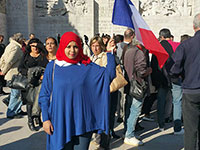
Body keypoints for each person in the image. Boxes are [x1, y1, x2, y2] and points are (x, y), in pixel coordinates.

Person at [39, 32, 116, 150]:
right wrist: (45, 119)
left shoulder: (86, 65)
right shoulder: (53, 67)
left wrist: (110, 53)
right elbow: (44, 95)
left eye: (75, 46)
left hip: (83, 122)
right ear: (62, 46)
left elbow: (108, 75)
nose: (72, 50)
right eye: (68, 46)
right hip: (60, 120)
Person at [170, 13, 200, 150]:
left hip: (191, 91)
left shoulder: (185, 45)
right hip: (192, 88)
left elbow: (174, 69)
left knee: (190, 130)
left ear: (194, 27)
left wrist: (180, 78)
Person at [122, 28, 151, 146]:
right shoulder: (138, 51)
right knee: (135, 109)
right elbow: (141, 71)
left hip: (129, 83)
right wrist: (149, 70)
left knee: (129, 108)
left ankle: (128, 131)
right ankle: (129, 135)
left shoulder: (127, 49)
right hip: (137, 84)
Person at [18, 38, 49, 131]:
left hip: (40, 82)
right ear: (29, 46)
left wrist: (41, 75)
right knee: (30, 102)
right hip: (29, 82)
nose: (35, 48)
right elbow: (20, 68)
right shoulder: (26, 55)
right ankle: (30, 121)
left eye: (36, 46)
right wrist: (30, 73)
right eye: (32, 46)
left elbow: (47, 68)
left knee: (39, 101)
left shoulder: (43, 55)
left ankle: (38, 118)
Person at [0, 33, 26, 118]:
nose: (23, 41)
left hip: (11, 74)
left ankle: (17, 109)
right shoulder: (16, 48)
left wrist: (2, 67)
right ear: (19, 39)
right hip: (14, 74)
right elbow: (10, 61)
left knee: (16, 93)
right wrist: (3, 71)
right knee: (16, 94)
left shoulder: (9, 45)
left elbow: (2, 58)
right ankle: (11, 113)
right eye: (22, 39)